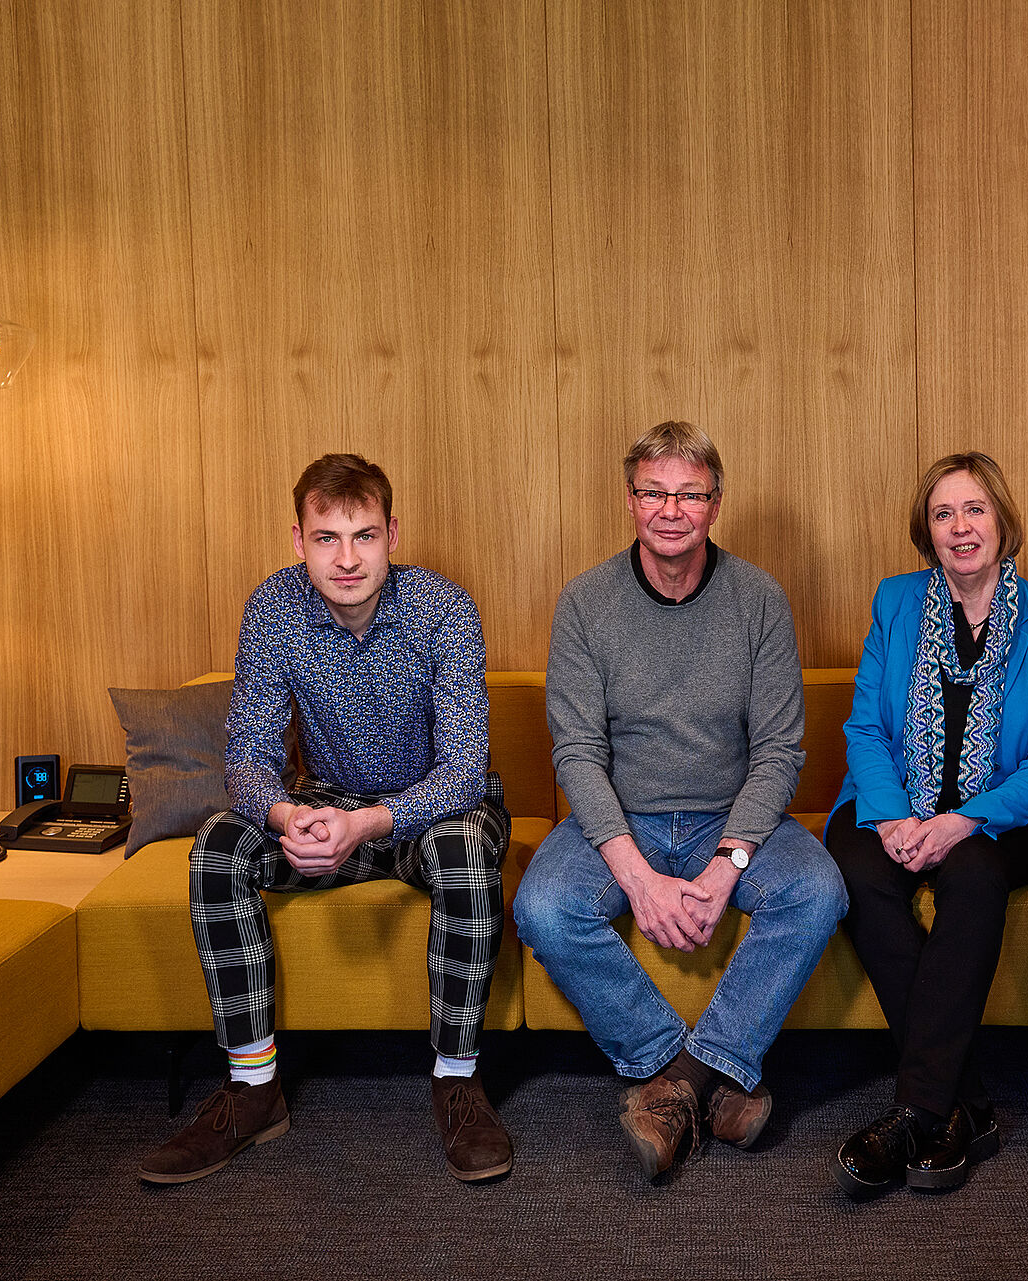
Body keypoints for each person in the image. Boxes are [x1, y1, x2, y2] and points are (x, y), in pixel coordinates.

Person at [139, 454, 514, 1185]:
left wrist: (372, 822)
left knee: (467, 848)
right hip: (323, 804)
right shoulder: (274, 608)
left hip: (432, 810)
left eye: (364, 536)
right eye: (326, 538)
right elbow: (247, 754)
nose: (347, 558)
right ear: (298, 538)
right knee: (218, 842)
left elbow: (465, 768)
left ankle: (457, 1080)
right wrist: (288, 815)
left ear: (392, 535)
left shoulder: (444, 608)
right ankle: (253, 1088)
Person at [513, 421, 848, 1181]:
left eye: (689, 493)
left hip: (725, 815)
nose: (671, 508)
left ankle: (681, 1088)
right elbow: (576, 754)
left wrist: (728, 864)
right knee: (542, 905)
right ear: (630, 501)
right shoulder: (586, 602)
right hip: (619, 820)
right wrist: (634, 874)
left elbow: (778, 753)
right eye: (654, 491)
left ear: (715, 503)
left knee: (819, 887)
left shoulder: (759, 599)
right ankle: (692, 1071)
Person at [825, 453, 1028, 1197]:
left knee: (972, 877)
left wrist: (962, 821)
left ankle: (915, 1110)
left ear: (1002, 520)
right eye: (944, 514)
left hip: (1006, 820)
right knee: (855, 867)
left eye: (974, 509)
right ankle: (963, 1106)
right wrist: (899, 816)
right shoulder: (897, 602)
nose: (960, 526)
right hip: (894, 805)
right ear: (927, 531)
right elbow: (866, 727)